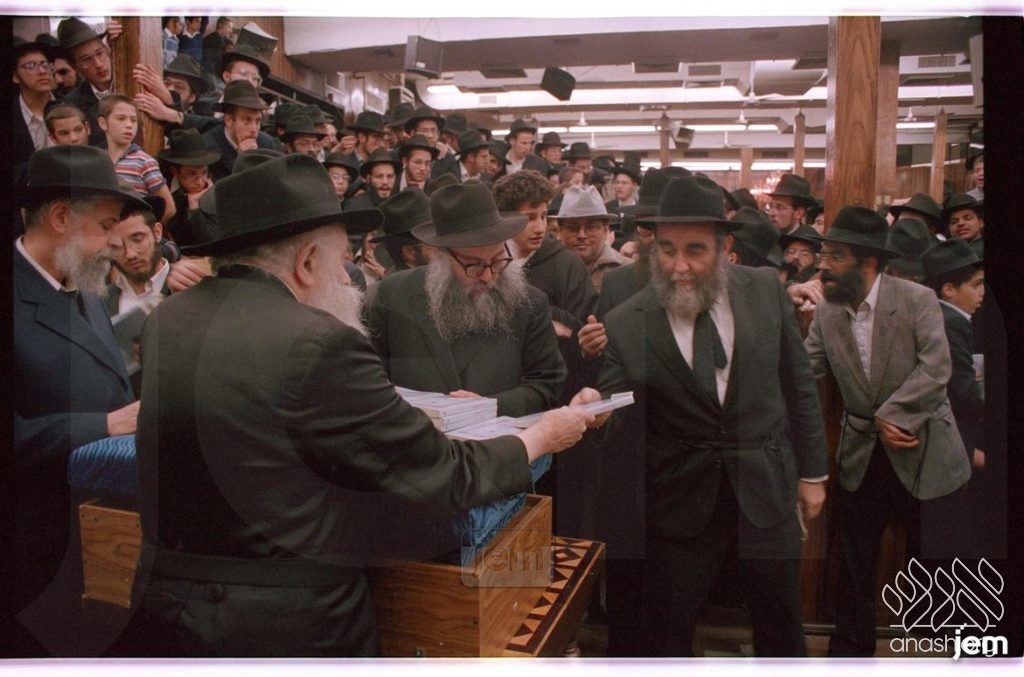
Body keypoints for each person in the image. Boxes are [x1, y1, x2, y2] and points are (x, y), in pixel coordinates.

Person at [127, 154, 593, 656]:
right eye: (339, 260)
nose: (346, 278)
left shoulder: (167, 320)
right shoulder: (318, 342)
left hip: (163, 606)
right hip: (284, 625)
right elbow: (440, 473)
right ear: (308, 262)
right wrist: (540, 436)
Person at [595, 175, 828, 656]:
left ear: (724, 248)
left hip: (765, 492)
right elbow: (616, 410)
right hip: (679, 504)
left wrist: (812, 474)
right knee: (665, 636)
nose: (679, 265)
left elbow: (799, 385)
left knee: (781, 628)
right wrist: (593, 409)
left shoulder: (765, 291)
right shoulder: (626, 321)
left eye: (695, 250)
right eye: (667, 249)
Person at [802, 205, 975, 657]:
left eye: (835, 256)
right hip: (862, 454)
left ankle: (950, 650)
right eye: (823, 254)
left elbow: (935, 369)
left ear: (868, 262)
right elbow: (805, 370)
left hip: (924, 445)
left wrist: (893, 414)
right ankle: (850, 652)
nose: (823, 265)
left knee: (936, 558)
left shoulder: (916, 300)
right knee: (854, 558)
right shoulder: (827, 311)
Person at [13, 145, 146, 654]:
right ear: (61, 218)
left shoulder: (86, 288)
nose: (116, 242)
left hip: (101, 545)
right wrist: (106, 425)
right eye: (107, 225)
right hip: (31, 559)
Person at [97, 94, 176, 224]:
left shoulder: (144, 161)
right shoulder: (99, 161)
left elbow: (169, 208)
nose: (129, 125)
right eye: (121, 118)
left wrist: (146, 229)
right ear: (103, 123)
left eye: (133, 120)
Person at [57, 16, 122, 147]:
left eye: (99, 53)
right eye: (86, 59)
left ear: (107, 50)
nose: (98, 64)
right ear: (75, 67)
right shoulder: (71, 104)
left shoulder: (133, 81)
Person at [551, 184, 629, 293]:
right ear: (559, 231)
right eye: (573, 228)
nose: (582, 235)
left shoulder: (627, 271)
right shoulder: (548, 271)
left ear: (605, 230)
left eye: (591, 227)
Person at [201, 80, 278, 181]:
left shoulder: (266, 144)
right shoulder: (209, 148)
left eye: (257, 121)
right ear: (228, 120)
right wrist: (241, 161)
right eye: (247, 120)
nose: (254, 129)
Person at [12, 36, 56, 168]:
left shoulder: (71, 105)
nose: (42, 71)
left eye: (44, 64)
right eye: (30, 66)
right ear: (15, 76)